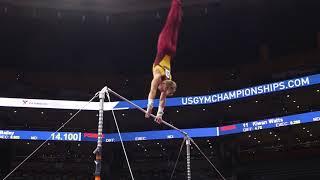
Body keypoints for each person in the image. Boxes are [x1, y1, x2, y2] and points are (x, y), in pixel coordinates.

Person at [145, 0, 182, 123]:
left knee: (175, 25)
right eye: (164, 90)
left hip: (171, 51)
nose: (162, 92)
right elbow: (153, 91)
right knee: (170, 23)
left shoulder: (168, 79)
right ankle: (175, 2)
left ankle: (178, 4)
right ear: (166, 85)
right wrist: (150, 107)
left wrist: (160, 114)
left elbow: (161, 99)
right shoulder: (158, 77)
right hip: (164, 47)